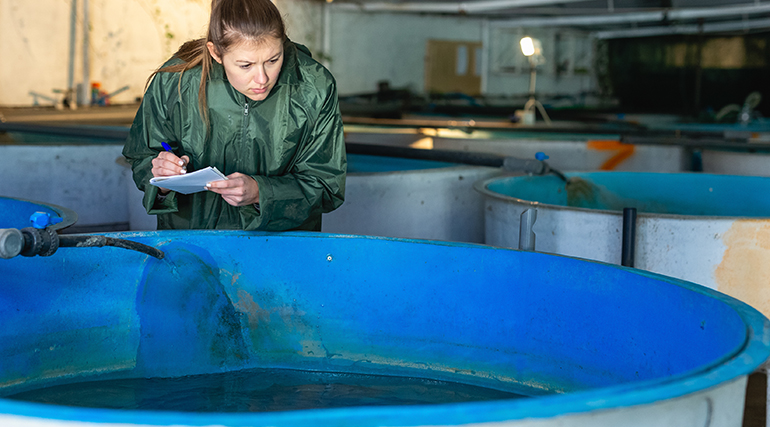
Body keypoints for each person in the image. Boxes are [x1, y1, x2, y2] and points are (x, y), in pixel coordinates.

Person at [123, 0, 346, 231]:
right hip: (192, 247)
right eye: (245, 65)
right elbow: (142, 156)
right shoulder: (175, 81)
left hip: (280, 250)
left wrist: (262, 193)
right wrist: (162, 178)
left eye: (273, 60)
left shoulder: (315, 86)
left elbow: (326, 185)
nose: (262, 78)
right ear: (215, 52)